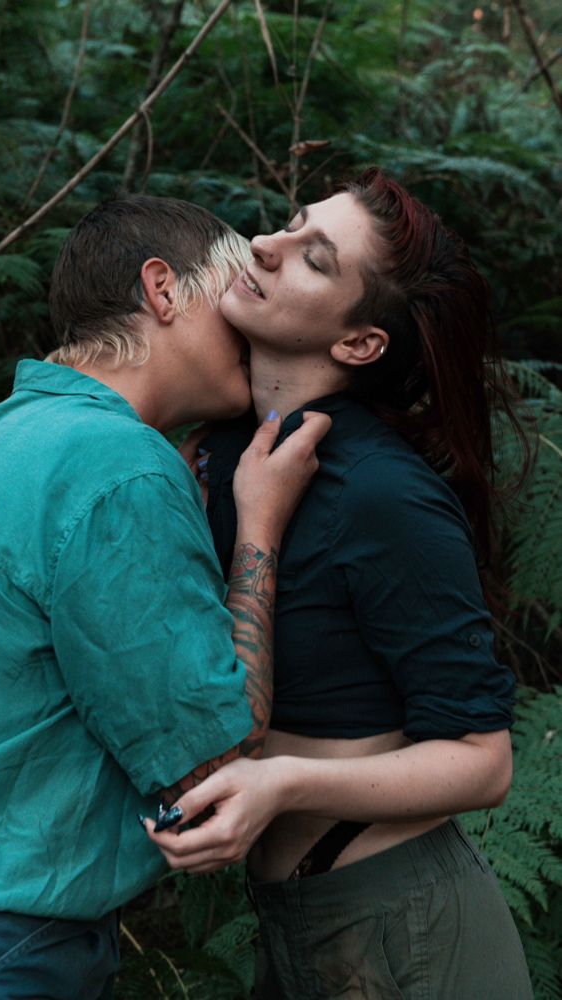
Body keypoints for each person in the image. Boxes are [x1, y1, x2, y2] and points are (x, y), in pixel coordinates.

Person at [0, 195, 330, 999]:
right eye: (236, 297)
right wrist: (258, 528)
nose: (252, 326)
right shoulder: (115, 464)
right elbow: (213, 765)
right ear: (163, 290)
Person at [145, 169, 534, 998]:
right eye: (290, 222)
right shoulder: (213, 452)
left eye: (314, 257)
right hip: (293, 920)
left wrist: (284, 783)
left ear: (358, 343)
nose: (264, 245)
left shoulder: (381, 494)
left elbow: (484, 762)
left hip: (407, 924)